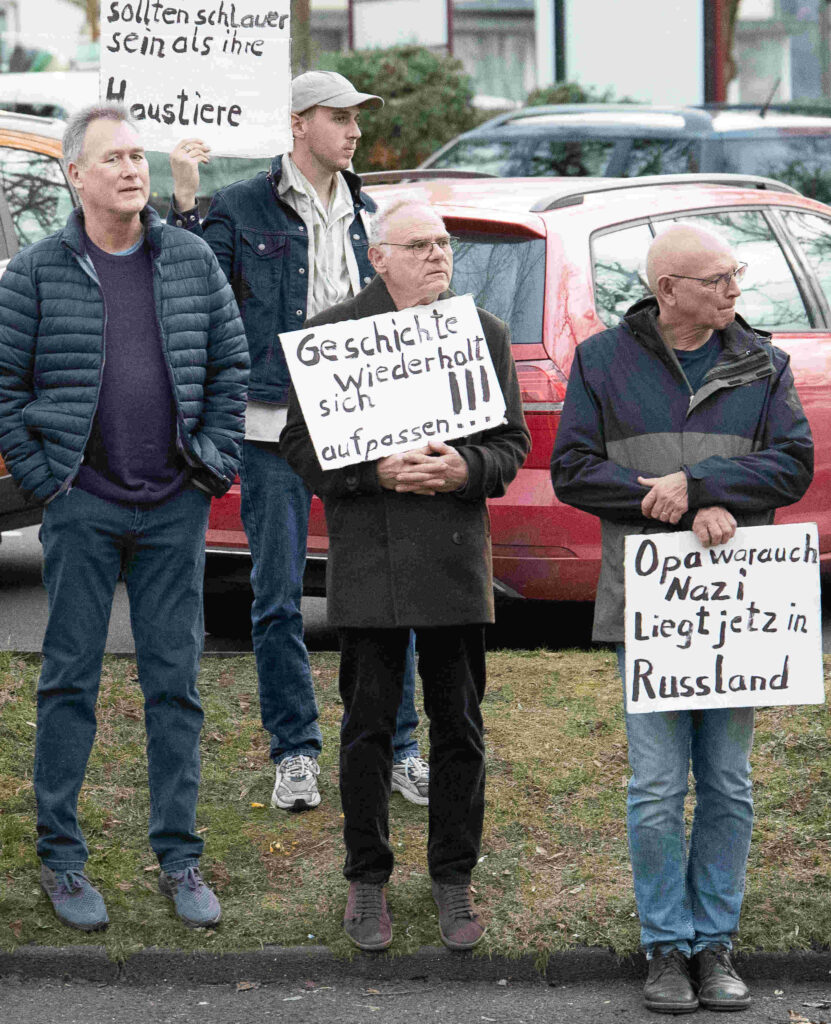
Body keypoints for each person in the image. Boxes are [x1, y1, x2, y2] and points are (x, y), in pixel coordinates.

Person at [550, 223, 813, 1013]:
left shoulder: (764, 362)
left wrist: (700, 485)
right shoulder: (601, 360)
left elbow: (792, 464)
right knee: (657, 786)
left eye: (736, 275)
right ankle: (665, 946)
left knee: (727, 783)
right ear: (668, 290)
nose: (735, 289)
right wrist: (655, 498)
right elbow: (570, 470)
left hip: (737, 609)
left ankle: (715, 944)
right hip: (650, 608)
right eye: (717, 279)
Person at [0, 105, 249, 932]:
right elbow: (5, 389)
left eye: (138, 155)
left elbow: (229, 363)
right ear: (76, 175)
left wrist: (210, 461)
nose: (132, 169)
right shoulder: (37, 271)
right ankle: (61, 861)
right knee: (69, 681)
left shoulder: (188, 260)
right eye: (113, 158)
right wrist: (48, 481)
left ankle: (179, 857)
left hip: (174, 505)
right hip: (83, 506)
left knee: (173, 684)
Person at [168, 70, 427, 812]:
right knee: (277, 595)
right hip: (272, 428)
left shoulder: (366, 211)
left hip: (362, 424)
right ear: (298, 124)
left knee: (383, 588)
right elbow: (197, 290)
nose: (352, 130)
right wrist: (186, 201)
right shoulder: (243, 204)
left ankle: (399, 745)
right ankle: (295, 752)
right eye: (338, 117)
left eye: (356, 119)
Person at [280, 198, 530, 951]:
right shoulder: (330, 338)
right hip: (369, 562)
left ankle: (453, 876)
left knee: (458, 727)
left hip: (454, 558)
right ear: (377, 256)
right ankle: (367, 880)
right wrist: (370, 472)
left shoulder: (480, 335)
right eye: (418, 244)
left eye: (444, 244)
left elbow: (511, 446)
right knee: (365, 729)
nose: (436, 256)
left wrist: (464, 466)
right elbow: (299, 448)